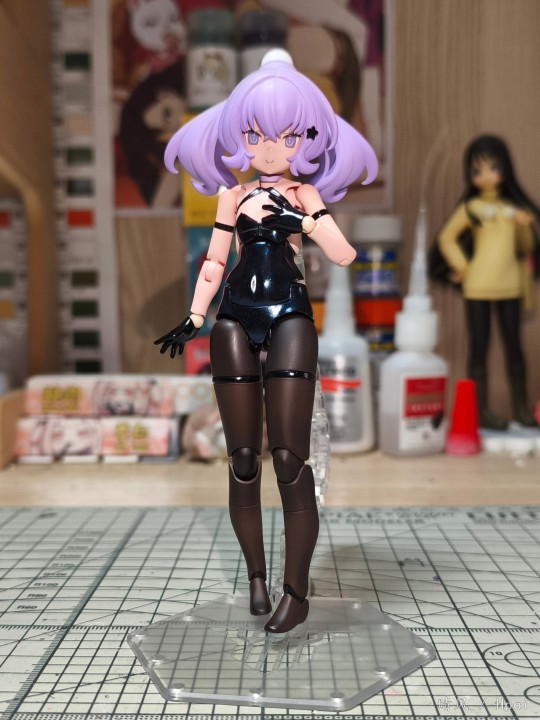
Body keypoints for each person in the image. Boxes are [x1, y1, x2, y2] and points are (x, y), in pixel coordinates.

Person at [155, 50, 377, 632]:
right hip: (233, 314)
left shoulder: (304, 196)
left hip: (289, 315)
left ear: (307, 139)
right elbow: (214, 261)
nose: (271, 149)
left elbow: (343, 253)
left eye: (288, 136)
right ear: (238, 138)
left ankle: (296, 591)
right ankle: (257, 576)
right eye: (255, 136)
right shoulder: (232, 197)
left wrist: (300, 222)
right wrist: (194, 316)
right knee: (242, 460)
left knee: (289, 458)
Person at [437, 135, 539, 429]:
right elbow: (446, 238)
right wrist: (463, 266)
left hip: (511, 285)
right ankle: (480, 410)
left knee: (514, 346)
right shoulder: (471, 208)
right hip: (478, 285)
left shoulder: (512, 209)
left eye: (493, 167)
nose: (485, 175)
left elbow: (527, 246)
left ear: (505, 169)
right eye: (476, 170)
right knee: (479, 347)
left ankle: (520, 408)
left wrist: (524, 226)